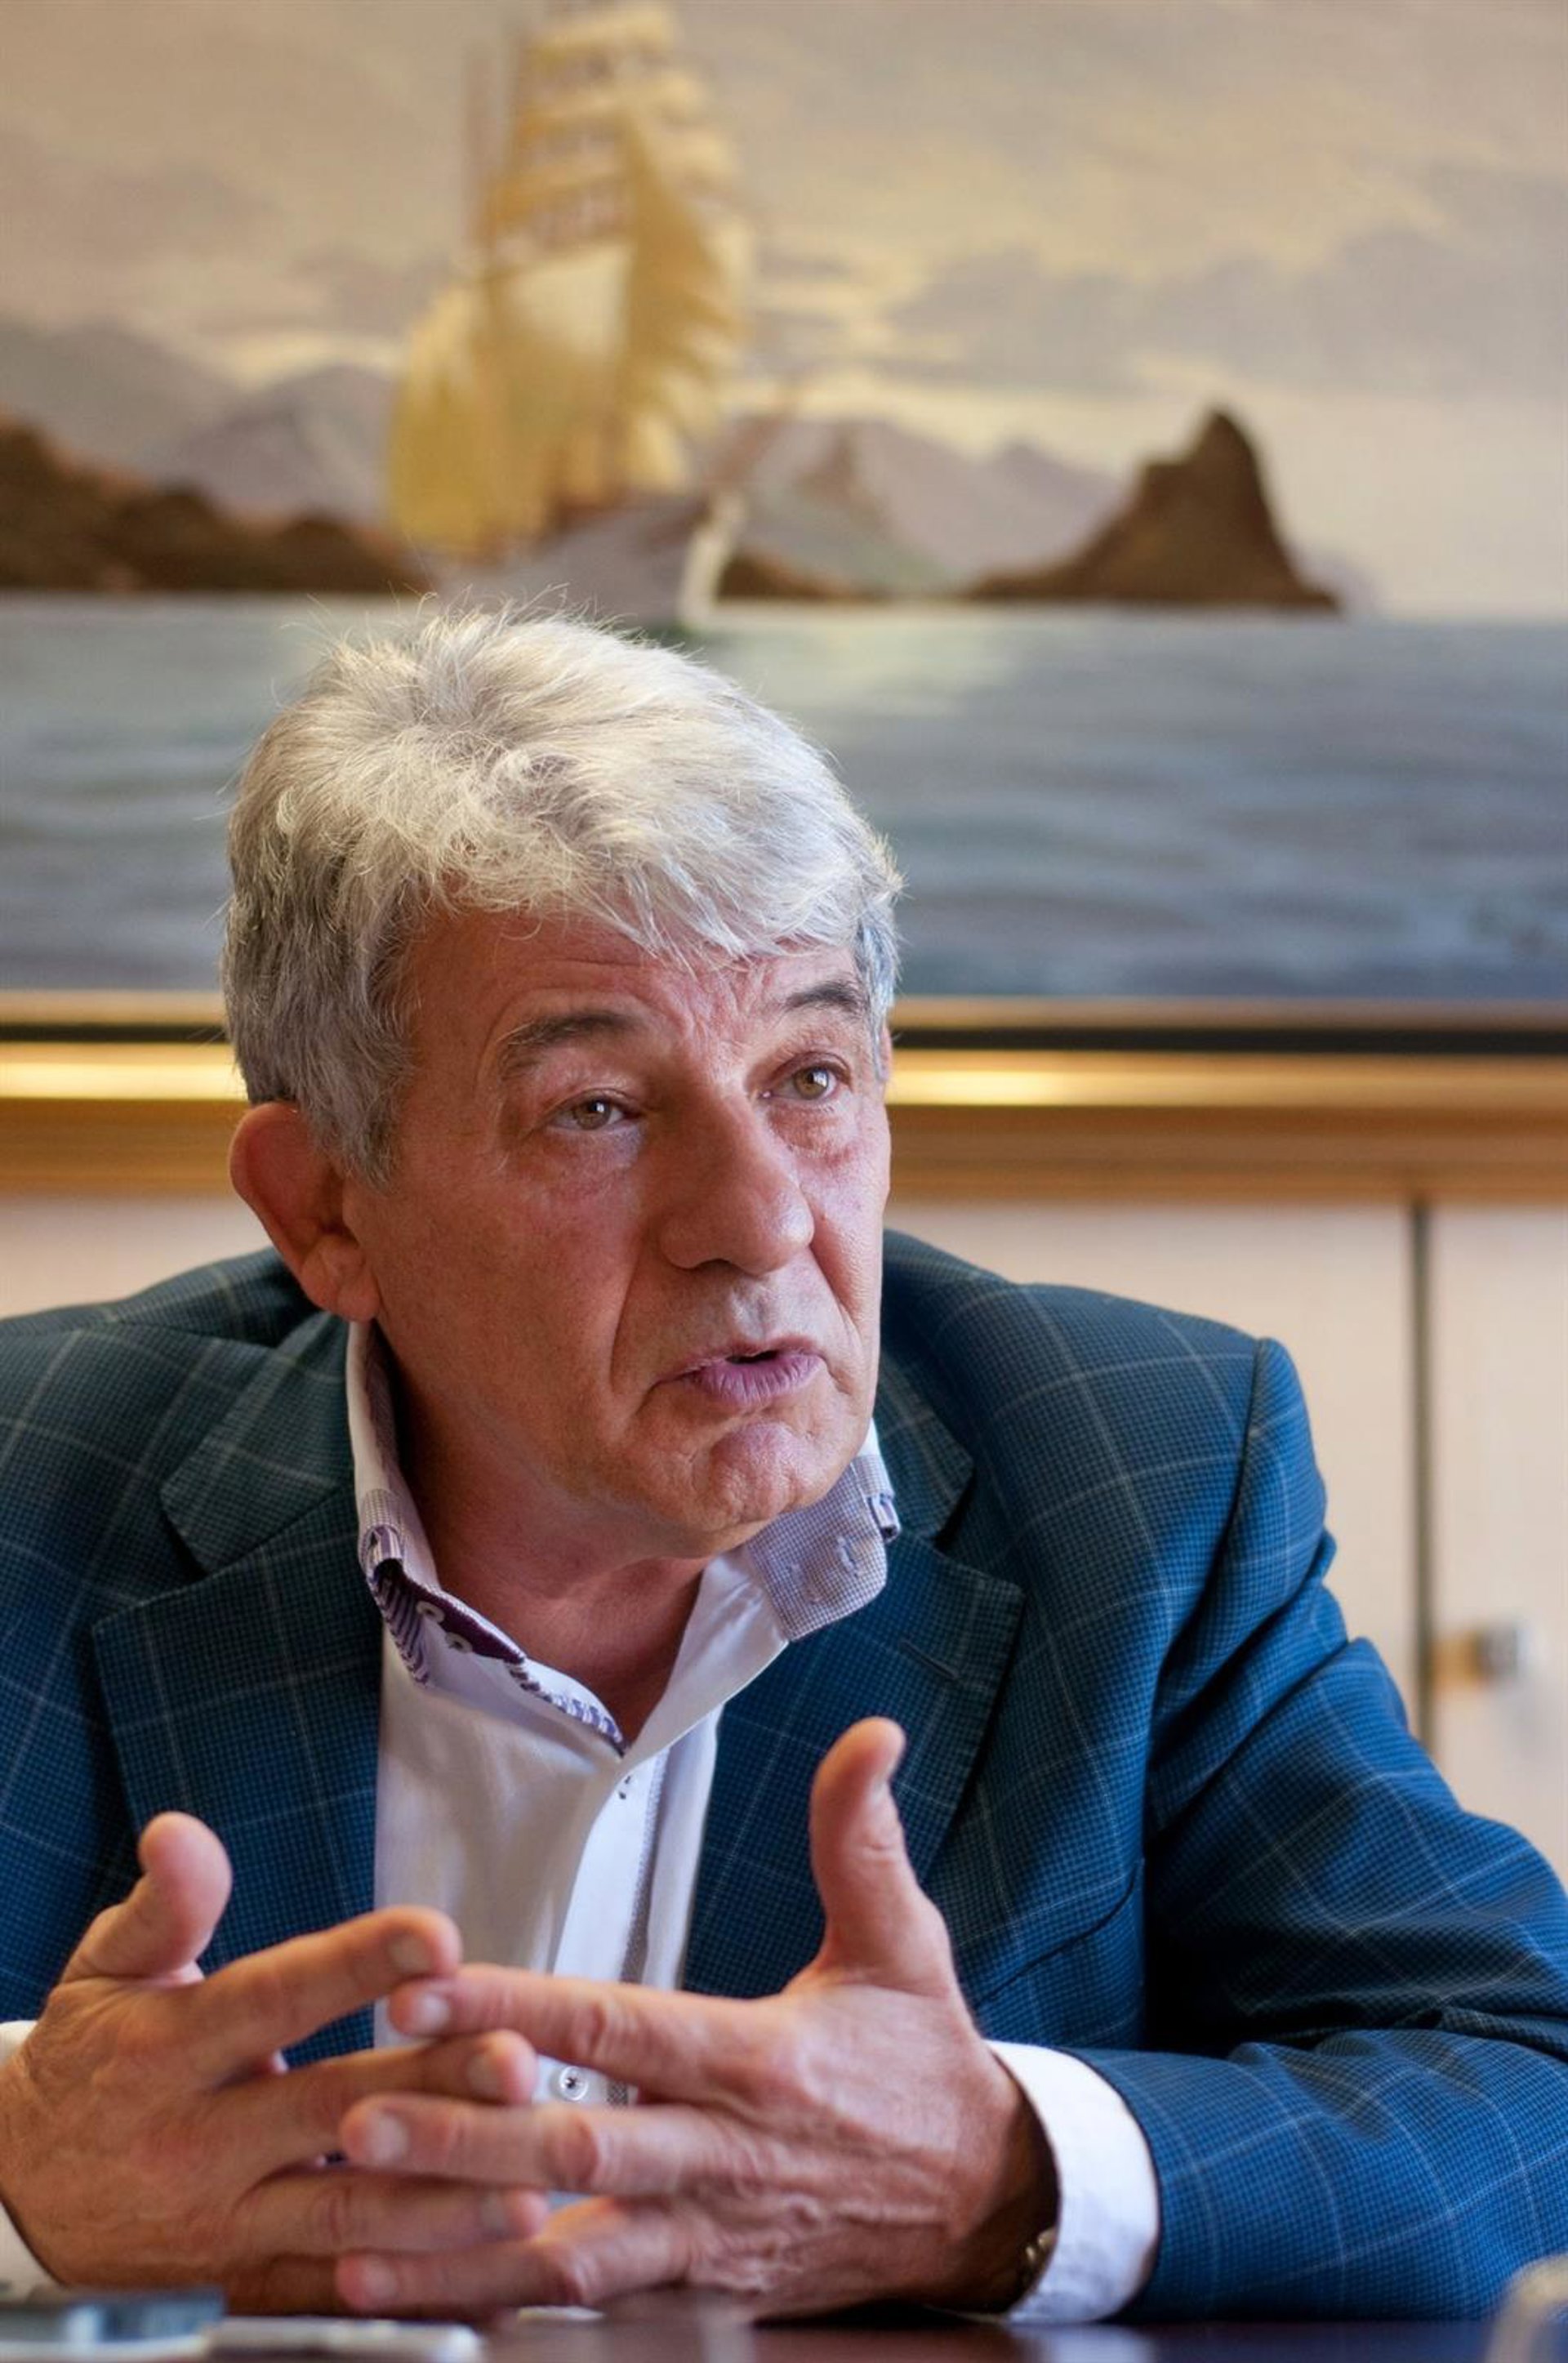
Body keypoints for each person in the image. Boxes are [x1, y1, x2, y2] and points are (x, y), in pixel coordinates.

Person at [0, 609, 1564, 2326]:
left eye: (810, 1076)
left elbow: (1522, 2080)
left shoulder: (1138, 1480)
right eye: (598, 1108)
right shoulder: (35, 1479)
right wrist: (24, 2181)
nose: (759, 1220)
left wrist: (1000, 2174)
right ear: (325, 1208)